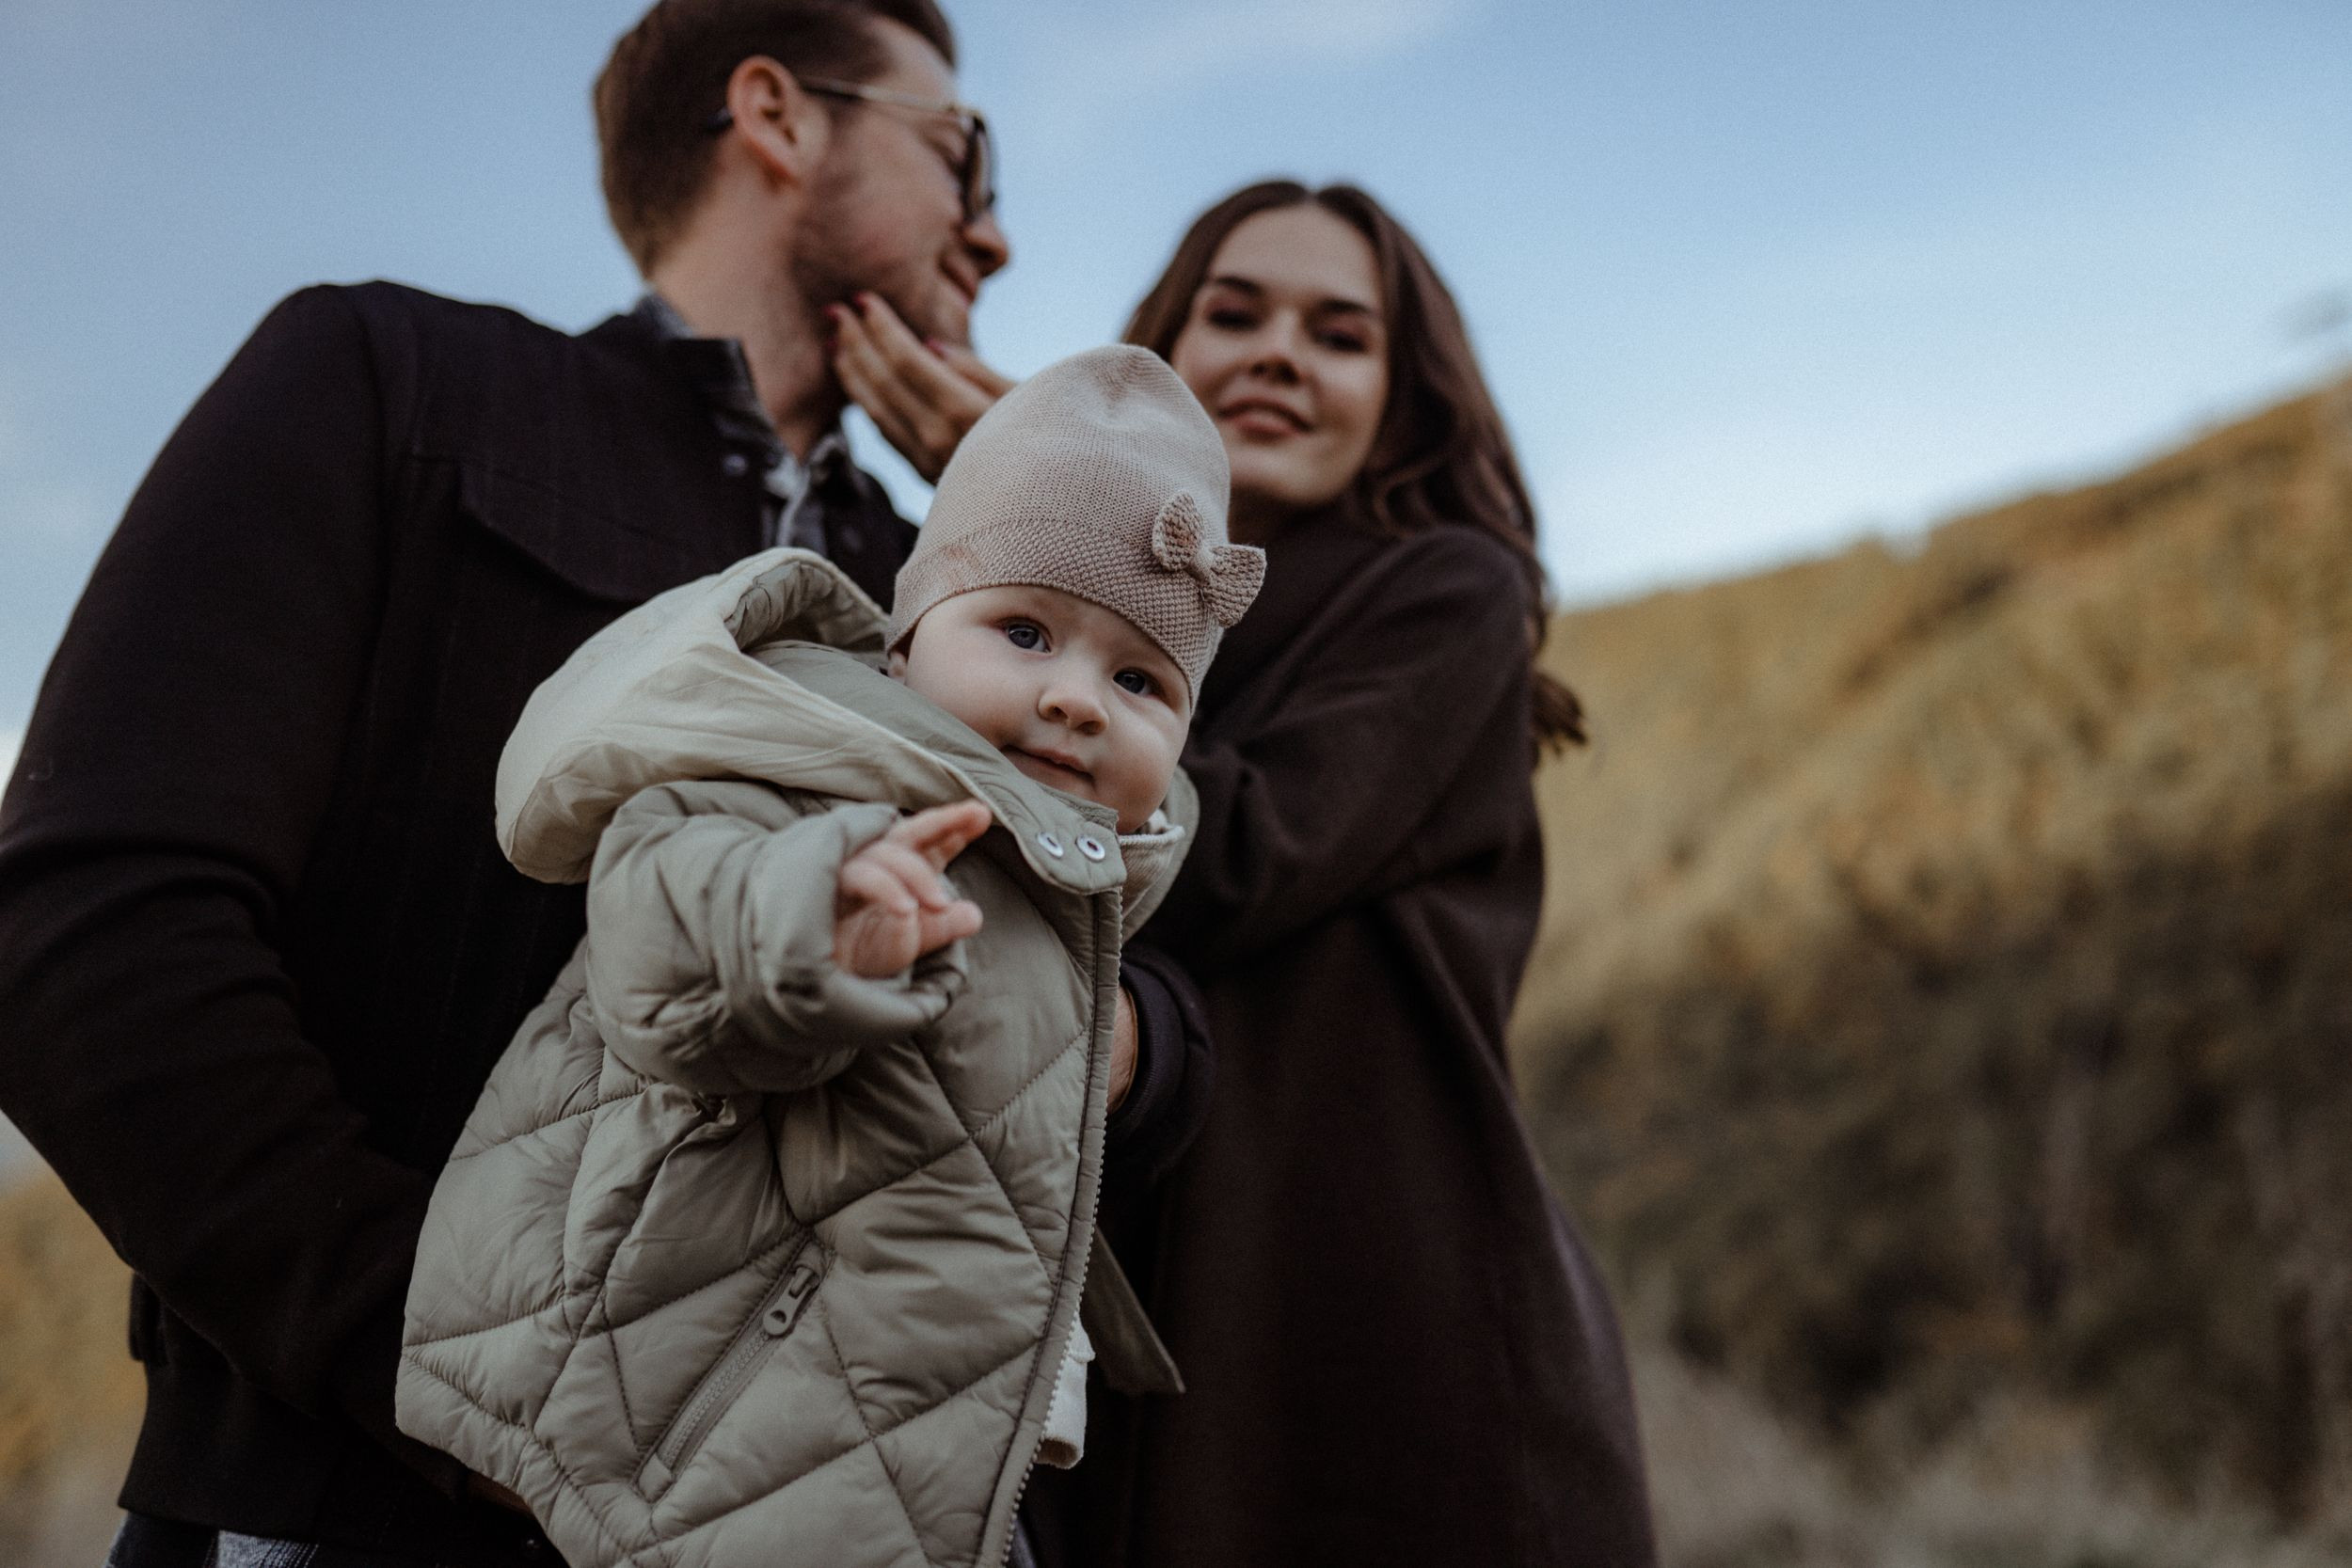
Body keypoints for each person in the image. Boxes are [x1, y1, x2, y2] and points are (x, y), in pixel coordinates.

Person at [0, 8, 1212, 1567]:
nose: (995, 230)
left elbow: (1156, 905)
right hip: (352, 1511)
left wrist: (1129, 1050)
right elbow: (85, 926)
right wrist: (438, 1371)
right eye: (958, 150)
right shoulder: (390, 382)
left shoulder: (965, 604)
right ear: (776, 115)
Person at [844, 182, 1659, 1565]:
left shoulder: (1445, 592)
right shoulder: (1060, 627)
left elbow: (1230, 853)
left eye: (1339, 335)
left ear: (1405, 396)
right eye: (1236, 314)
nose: (1282, 350)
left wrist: (1016, 524)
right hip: (1152, 1308)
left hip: (1389, 1331)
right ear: (1163, 353)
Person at [394, 345, 1262, 1568]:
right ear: (906, 641)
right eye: (1024, 631)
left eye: (1139, 679)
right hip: (677, 1439)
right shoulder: (797, 765)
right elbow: (659, 934)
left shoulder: (1065, 887)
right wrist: (809, 917)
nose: (1077, 698)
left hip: (902, 1472)